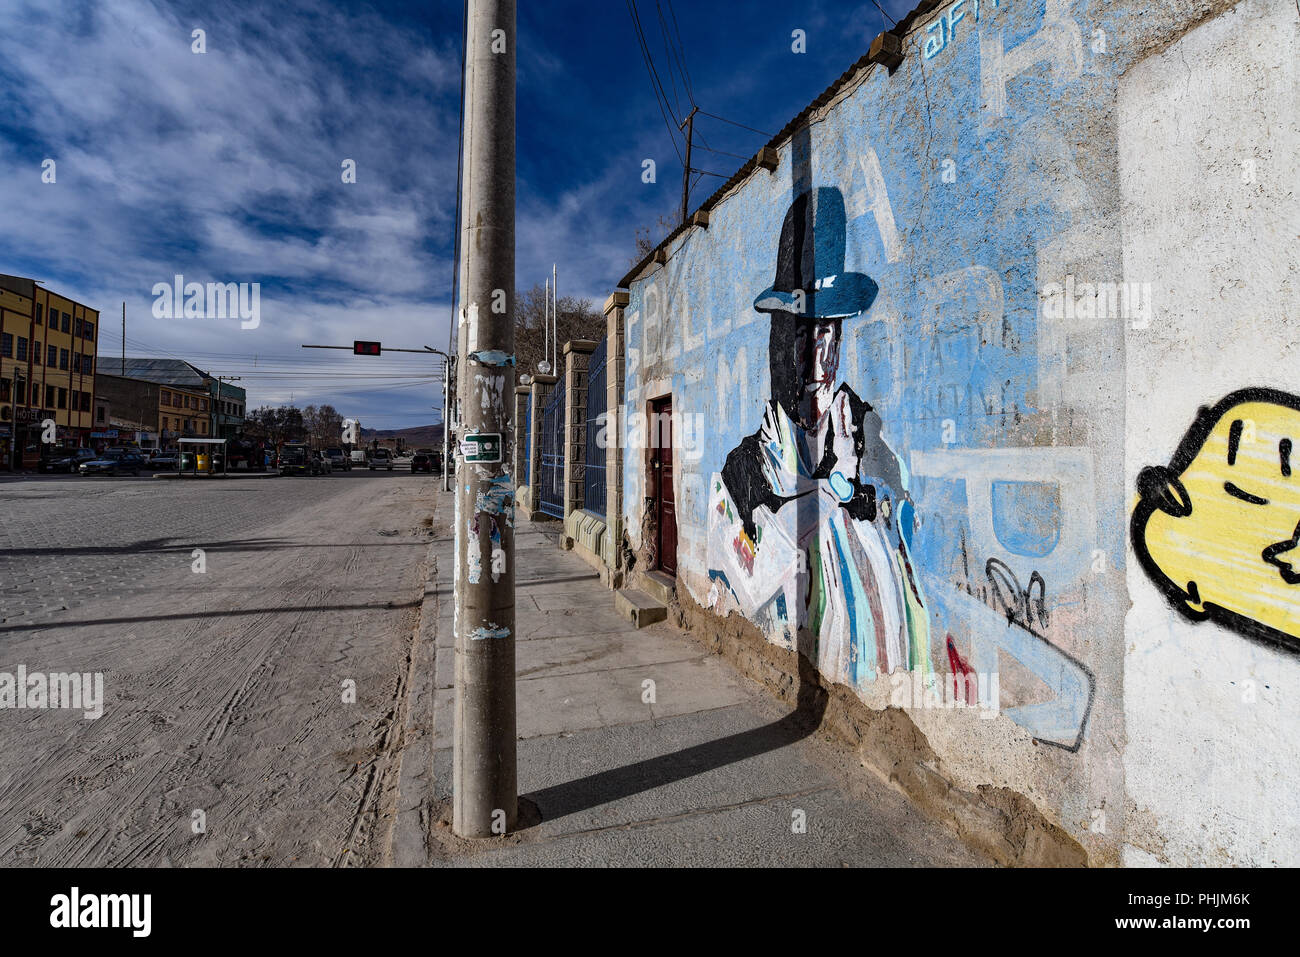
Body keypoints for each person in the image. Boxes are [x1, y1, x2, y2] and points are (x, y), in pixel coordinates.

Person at [709, 187, 930, 687]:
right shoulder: (743, 471)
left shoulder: (867, 434)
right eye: (808, 335)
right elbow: (744, 587)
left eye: (833, 334)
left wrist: (876, 498)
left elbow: (909, 526)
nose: (822, 360)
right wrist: (824, 501)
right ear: (780, 341)